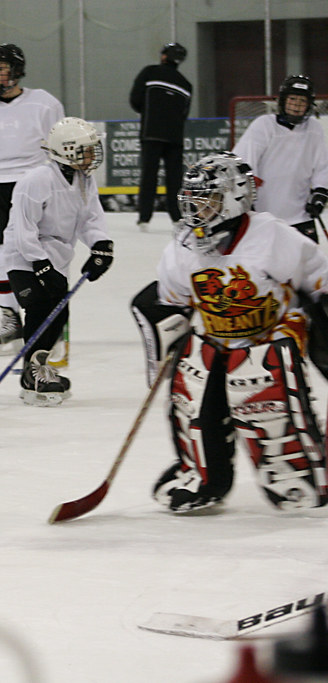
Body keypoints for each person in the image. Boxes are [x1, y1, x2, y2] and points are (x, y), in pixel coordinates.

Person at [133, 152, 328, 513]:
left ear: (236, 197)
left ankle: (293, 470)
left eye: (208, 198)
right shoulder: (184, 246)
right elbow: (173, 300)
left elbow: (317, 281)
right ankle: (202, 473)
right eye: (193, 199)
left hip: (270, 336)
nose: (197, 208)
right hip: (215, 335)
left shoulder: (273, 236)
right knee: (192, 381)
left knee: (255, 373)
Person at [0, 43, 65, 355]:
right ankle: (10, 317)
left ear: (16, 71)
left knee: (40, 252)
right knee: (1, 253)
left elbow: (58, 146)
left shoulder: (44, 103)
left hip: (34, 184)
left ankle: (48, 319)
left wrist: (59, 185)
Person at [3, 117, 113, 406]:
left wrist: (100, 244)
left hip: (57, 259)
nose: (91, 156)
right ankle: (33, 373)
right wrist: (39, 263)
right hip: (23, 257)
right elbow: (23, 228)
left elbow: (90, 219)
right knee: (39, 307)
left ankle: (39, 365)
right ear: (66, 150)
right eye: (85, 150)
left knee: (59, 314)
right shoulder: (36, 180)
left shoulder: (83, 180)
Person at [232, 75, 328, 242]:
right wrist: (246, 197)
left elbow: (323, 166)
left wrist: (320, 192)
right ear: (282, 101)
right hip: (263, 215)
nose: (296, 105)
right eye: (292, 99)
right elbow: (243, 161)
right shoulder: (264, 125)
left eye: (302, 101)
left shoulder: (315, 129)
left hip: (300, 216)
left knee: (307, 266)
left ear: (309, 105)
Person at [129, 42, 192, 231]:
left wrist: (151, 113)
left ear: (164, 56)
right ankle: (177, 217)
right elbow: (184, 113)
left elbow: (135, 99)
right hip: (175, 136)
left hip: (151, 132)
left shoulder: (149, 72)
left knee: (149, 176)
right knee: (175, 179)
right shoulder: (186, 84)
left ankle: (144, 218)